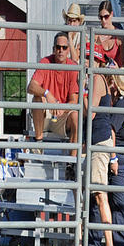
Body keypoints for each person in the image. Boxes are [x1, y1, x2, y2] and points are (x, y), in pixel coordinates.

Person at [87, 72, 124, 246]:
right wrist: (115, 158)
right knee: (108, 200)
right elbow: (112, 131)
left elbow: (111, 130)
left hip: (113, 154)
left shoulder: (120, 105)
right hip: (115, 155)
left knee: (104, 200)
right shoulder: (120, 105)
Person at [27, 33, 79, 176]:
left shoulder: (73, 68)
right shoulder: (45, 62)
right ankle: (38, 143)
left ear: (69, 50)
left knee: (76, 114)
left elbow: (74, 100)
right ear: (53, 48)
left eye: (64, 47)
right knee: (37, 99)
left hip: (62, 116)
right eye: (58, 47)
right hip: (45, 116)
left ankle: (71, 163)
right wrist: (47, 94)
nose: (60, 50)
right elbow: (30, 87)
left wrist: (62, 108)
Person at [82, 54, 117, 246]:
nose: (86, 62)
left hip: (99, 141)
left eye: (89, 58)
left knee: (100, 195)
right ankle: (83, 244)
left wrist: (79, 94)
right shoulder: (98, 78)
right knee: (93, 195)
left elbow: (91, 111)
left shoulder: (96, 79)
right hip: (97, 140)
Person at [92, 0, 124, 69]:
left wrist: (116, 68)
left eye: (106, 16)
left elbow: (123, 65)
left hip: (115, 73)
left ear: (112, 14)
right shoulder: (96, 36)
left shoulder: (119, 37)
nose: (103, 20)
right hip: (100, 74)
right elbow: (93, 62)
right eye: (101, 17)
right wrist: (97, 45)